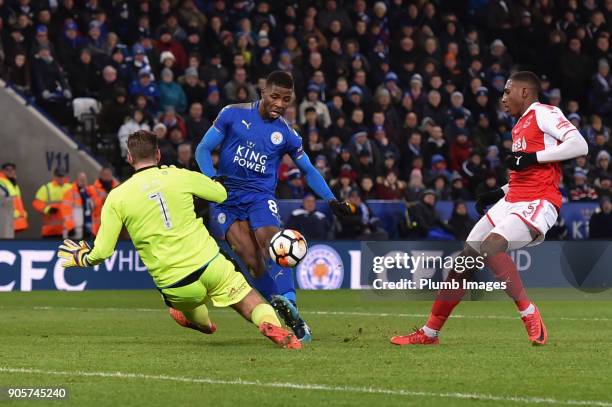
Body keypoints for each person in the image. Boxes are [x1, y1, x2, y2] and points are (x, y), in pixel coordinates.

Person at [391, 71, 588, 346]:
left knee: (492, 246)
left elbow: (580, 144)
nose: (503, 98)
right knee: (462, 263)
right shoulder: (519, 125)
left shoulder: (543, 112)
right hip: (512, 200)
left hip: (537, 200)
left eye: (508, 91)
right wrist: (499, 192)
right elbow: (525, 170)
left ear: (525, 92)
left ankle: (530, 313)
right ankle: (430, 333)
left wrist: (533, 157)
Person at [57, 130, 300, 349]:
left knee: (190, 306)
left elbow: (103, 251)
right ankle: (269, 325)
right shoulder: (179, 176)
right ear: (159, 154)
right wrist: (210, 182)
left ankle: (203, 325)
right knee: (250, 301)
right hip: (210, 263)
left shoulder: (117, 197)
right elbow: (220, 193)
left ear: (129, 158)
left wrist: (84, 258)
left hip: (174, 281)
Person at [196, 71, 351, 342]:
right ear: (263, 92)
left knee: (272, 243)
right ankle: (281, 312)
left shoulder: (287, 135)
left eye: (286, 99)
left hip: (259, 197)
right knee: (252, 261)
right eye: (275, 97)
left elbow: (309, 170)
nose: (280, 104)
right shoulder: (232, 113)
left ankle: (293, 312)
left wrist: (331, 199)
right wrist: (211, 180)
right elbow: (202, 149)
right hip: (225, 197)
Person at [32, 169, 73, 239]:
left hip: (68, 230)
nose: (61, 178)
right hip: (50, 230)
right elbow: (37, 203)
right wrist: (47, 209)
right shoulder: (46, 188)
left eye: (62, 176)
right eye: (59, 176)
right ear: (54, 176)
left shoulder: (71, 187)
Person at [0, 163, 28, 233]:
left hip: (13, 219)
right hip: (5, 219)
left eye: (12, 169)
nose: (10, 171)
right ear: (2, 171)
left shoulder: (12, 182)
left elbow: (17, 201)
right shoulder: (1, 181)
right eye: (7, 170)